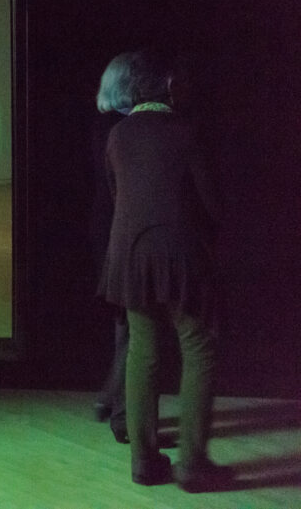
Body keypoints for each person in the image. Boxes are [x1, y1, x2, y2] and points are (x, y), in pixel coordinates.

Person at [101, 49, 231, 492]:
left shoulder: (118, 135)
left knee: (143, 351)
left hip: (131, 257)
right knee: (198, 348)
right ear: (169, 87)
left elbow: (118, 195)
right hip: (181, 255)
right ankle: (193, 465)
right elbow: (211, 202)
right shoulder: (185, 130)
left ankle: (143, 461)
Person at [90, 53, 136, 443]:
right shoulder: (126, 130)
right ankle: (123, 415)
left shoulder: (106, 126)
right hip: (118, 236)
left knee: (127, 327)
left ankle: (110, 399)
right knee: (135, 331)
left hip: (106, 234)